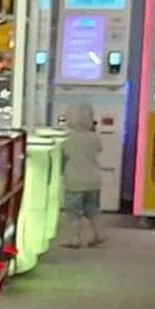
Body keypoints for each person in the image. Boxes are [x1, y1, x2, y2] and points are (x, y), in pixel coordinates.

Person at [60, 104, 106, 248]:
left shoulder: (66, 137)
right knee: (93, 209)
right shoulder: (94, 137)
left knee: (73, 212)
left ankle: (74, 239)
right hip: (94, 180)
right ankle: (99, 234)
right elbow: (99, 150)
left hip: (74, 181)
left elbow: (63, 155)